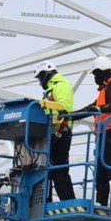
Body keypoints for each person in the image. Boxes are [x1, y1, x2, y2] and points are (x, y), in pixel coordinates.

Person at [76, 58, 111, 210]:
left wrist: (99, 109)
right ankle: (102, 202)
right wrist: (72, 115)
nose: (94, 78)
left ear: (101, 72)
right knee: (101, 169)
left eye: (95, 74)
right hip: (103, 134)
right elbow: (92, 107)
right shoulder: (104, 90)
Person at [36, 63, 77, 201]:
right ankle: (44, 201)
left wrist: (47, 104)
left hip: (61, 131)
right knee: (48, 169)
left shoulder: (61, 85)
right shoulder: (50, 89)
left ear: (45, 74)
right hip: (52, 133)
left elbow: (63, 108)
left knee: (59, 169)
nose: (39, 82)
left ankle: (68, 201)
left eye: (40, 78)